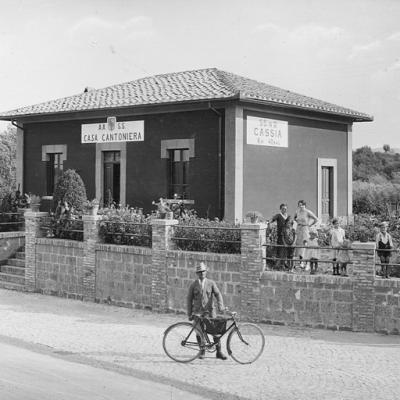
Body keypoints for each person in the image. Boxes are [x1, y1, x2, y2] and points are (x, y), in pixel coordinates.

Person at [187, 262, 227, 360]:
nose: (202, 273)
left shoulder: (211, 283)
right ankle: (202, 351)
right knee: (199, 332)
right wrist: (189, 313)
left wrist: (221, 307)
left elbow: (218, 294)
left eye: (203, 271)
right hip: (198, 312)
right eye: (200, 272)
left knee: (215, 331)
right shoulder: (193, 285)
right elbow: (189, 299)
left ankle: (219, 352)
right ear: (197, 273)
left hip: (210, 312)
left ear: (206, 272)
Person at [294, 200, 318, 266]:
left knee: (305, 245)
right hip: (299, 229)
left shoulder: (307, 212)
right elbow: (295, 218)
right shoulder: (297, 211)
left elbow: (316, 219)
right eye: (299, 205)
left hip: (305, 229)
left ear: (305, 205)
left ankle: (307, 262)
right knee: (299, 245)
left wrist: (309, 224)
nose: (300, 206)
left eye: (302, 205)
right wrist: (298, 222)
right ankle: (301, 261)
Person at [268, 204, 289, 270]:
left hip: (287, 236)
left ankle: (284, 263)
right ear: (280, 209)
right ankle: (278, 265)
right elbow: (272, 219)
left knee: (285, 250)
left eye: (285, 209)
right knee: (280, 250)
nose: (284, 210)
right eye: (283, 208)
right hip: (280, 236)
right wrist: (269, 223)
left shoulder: (287, 216)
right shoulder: (278, 215)